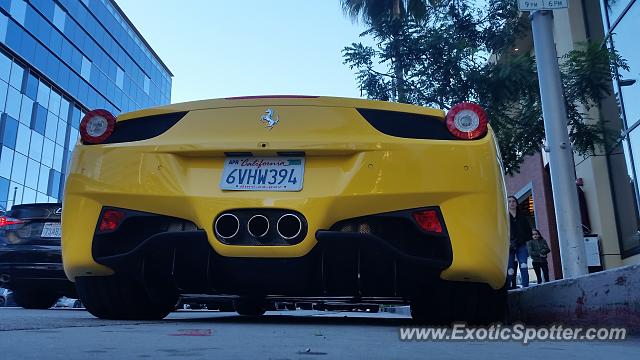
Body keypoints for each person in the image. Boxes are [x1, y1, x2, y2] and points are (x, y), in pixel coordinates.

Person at [507, 196, 531, 288]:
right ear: (507, 204)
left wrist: (524, 239)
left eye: (513, 201)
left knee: (524, 266)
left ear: (516, 203)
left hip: (521, 245)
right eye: (509, 201)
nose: (512, 203)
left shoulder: (522, 217)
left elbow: (529, 231)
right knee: (510, 269)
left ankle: (526, 287)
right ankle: (508, 290)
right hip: (509, 246)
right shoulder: (504, 217)